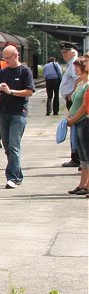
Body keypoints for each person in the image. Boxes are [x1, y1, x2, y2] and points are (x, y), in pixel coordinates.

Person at [0, 45, 35, 189]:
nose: (6, 61)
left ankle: (12, 178)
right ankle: (17, 174)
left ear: (16, 55)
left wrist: (11, 91)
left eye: (8, 58)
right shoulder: (4, 71)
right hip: (4, 112)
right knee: (7, 147)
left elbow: (30, 91)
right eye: (4, 58)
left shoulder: (25, 71)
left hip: (18, 113)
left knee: (14, 146)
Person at [64, 56, 89, 196]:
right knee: (82, 156)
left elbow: (85, 106)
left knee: (87, 154)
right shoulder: (81, 84)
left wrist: (73, 119)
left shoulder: (87, 85)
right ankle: (82, 184)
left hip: (84, 122)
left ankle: (87, 185)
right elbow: (75, 103)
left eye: (76, 67)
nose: (74, 69)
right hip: (77, 122)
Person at [59, 43, 81, 168]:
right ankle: (76, 156)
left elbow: (78, 79)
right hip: (72, 99)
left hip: (73, 100)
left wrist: (72, 93)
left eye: (65, 52)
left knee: (74, 126)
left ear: (73, 52)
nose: (63, 54)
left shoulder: (74, 65)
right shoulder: (72, 64)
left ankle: (76, 157)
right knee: (74, 127)